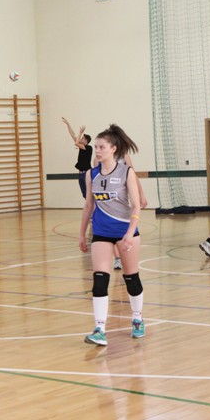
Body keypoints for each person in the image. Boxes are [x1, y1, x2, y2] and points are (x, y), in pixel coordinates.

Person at [79, 124, 144, 347]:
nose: (97, 151)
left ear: (113, 149)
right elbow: (88, 205)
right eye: (96, 147)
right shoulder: (91, 174)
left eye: (101, 147)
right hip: (101, 232)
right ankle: (100, 328)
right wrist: (81, 234)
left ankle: (137, 318)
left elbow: (136, 206)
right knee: (99, 279)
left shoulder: (126, 172)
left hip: (126, 231)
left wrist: (129, 234)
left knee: (131, 278)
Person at [61, 117, 93, 198]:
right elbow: (73, 135)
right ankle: (89, 205)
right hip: (81, 174)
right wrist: (68, 124)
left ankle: (93, 205)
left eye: (83, 138)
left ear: (86, 141)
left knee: (88, 193)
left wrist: (80, 132)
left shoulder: (88, 148)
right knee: (84, 194)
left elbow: (76, 143)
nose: (81, 138)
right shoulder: (81, 146)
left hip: (86, 174)